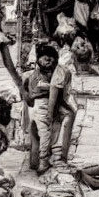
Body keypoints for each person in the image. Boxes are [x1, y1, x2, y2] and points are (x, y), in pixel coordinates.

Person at [22, 42, 76, 173]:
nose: (49, 62)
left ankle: (54, 159)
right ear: (38, 59)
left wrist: (49, 114)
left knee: (58, 132)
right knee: (38, 132)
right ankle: (40, 161)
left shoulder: (60, 71)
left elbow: (55, 94)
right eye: (46, 59)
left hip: (59, 106)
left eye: (52, 59)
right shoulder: (32, 75)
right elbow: (28, 95)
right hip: (39, 107)